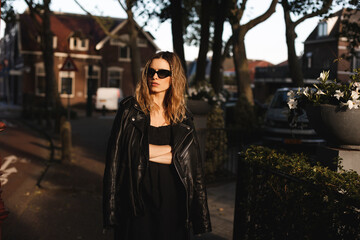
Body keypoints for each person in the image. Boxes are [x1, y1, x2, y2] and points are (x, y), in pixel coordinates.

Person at [103, 51, 212, 240]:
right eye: (151, 71)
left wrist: (201, 217)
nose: (155, 76)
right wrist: (110, 210)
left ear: (173, 78)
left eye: (162, 73)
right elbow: (115, 158)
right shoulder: (130, 110)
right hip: (136, 202)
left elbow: (195, 168)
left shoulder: (183, 117)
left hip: (173, 203)